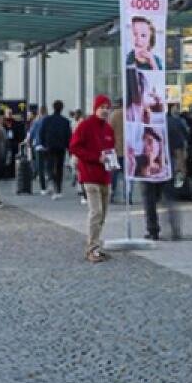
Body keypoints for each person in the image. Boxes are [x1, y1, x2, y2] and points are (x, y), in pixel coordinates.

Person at [69, 96, 118, 263]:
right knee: (95, 212)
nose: (105, 110)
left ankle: (96, 245)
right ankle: (92, 249)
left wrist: (112, 161)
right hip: (90, 175)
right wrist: (95, 158)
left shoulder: (109, 129)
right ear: (95, 108)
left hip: (105, 175)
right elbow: (74, 147)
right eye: (102, 107)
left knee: (103, 214)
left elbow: (110, 149)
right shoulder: (85, 126)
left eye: (107, 107)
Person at [145, 107, 186, 241]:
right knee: (169, 199)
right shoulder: (172, 123)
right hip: (167, 167)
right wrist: (180, 166)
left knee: (150, 200)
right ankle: (175, 229)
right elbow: (179, 148)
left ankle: (153, 230)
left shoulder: (145, 122)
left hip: (149, 167)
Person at [36, 101, 72, 200]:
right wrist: (69, 148)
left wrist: (43, 144)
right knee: (59, 167)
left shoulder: (47, 120)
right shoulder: (65, 121)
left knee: (50, 165)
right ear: (62, 108)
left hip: (49, 146)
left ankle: (51, 179)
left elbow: (41, 133)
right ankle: (58, 189)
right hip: (61, 147)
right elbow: (68, 136)